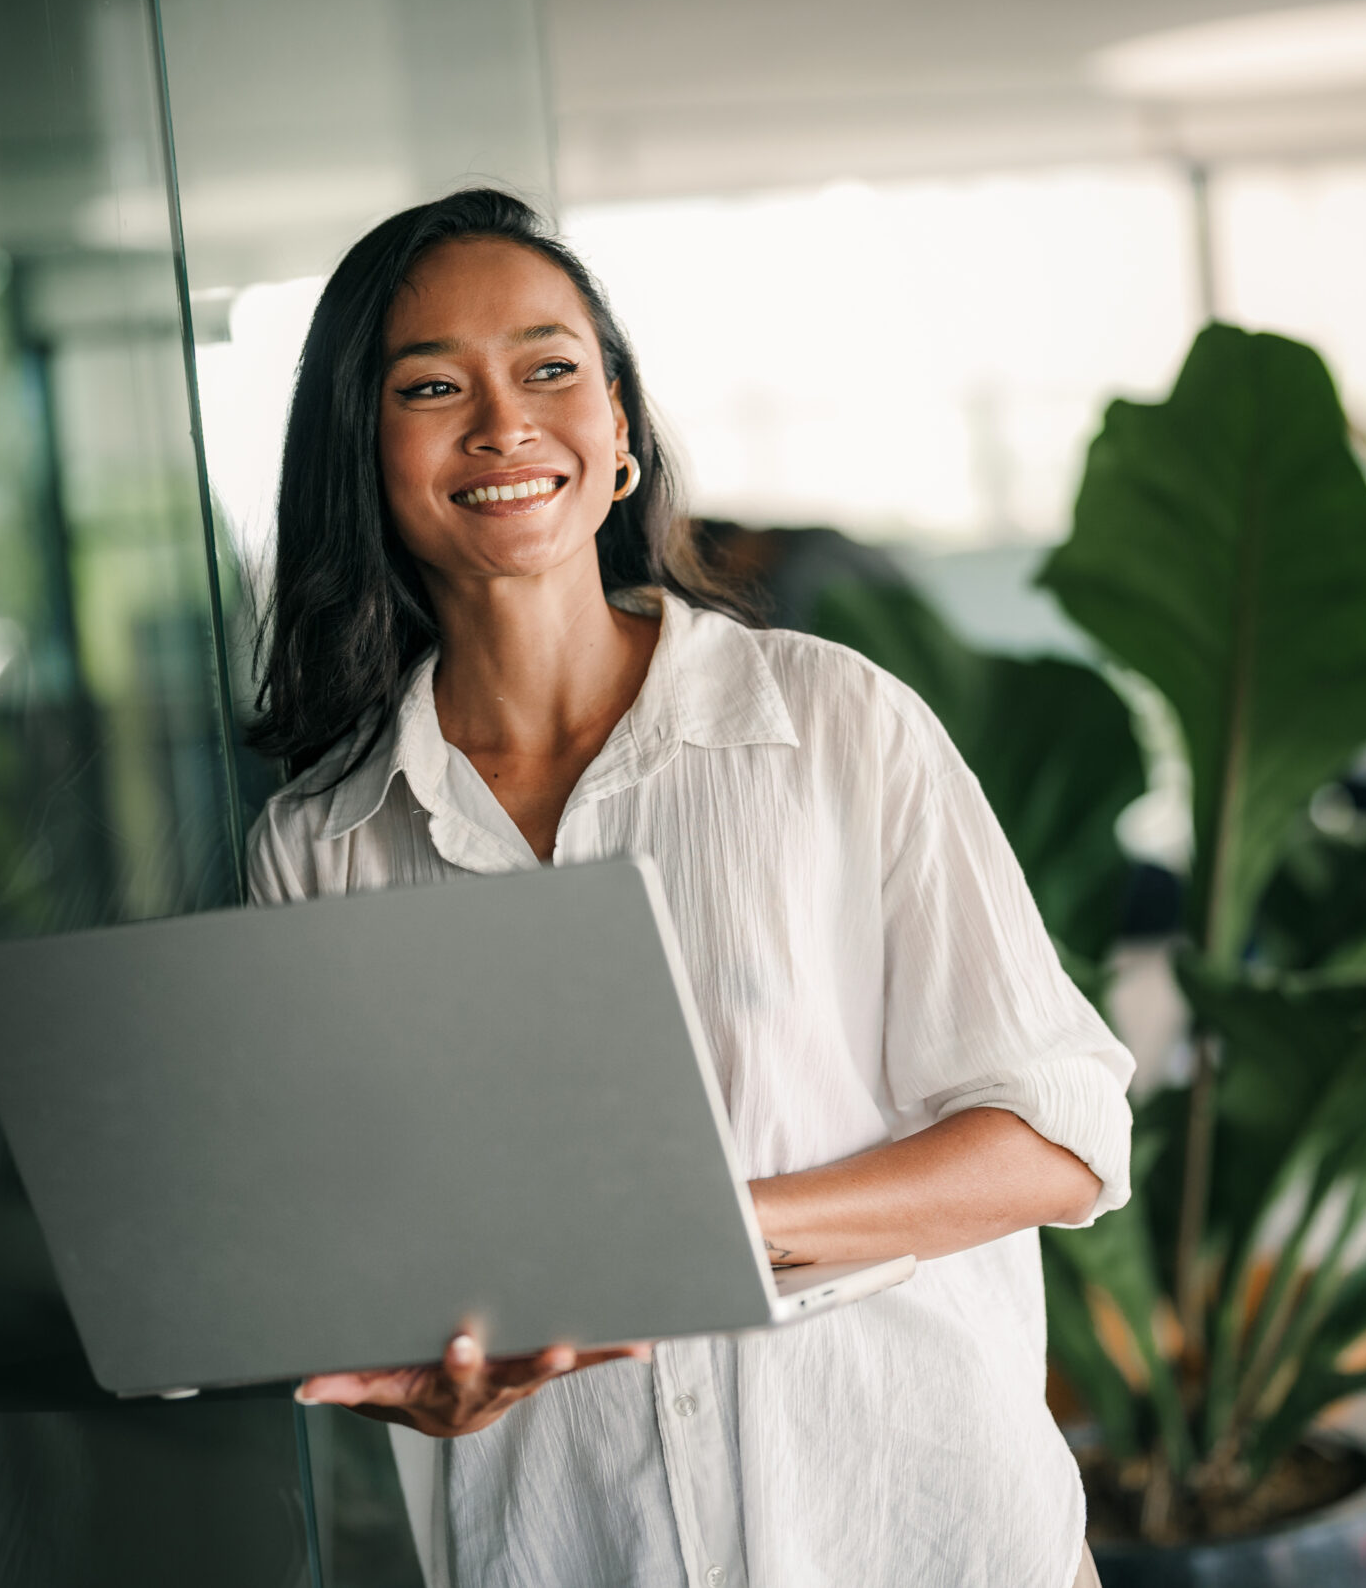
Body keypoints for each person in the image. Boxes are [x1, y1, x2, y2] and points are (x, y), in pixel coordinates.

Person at [243, 187, 1132, 1588]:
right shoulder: (324, 841)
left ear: (620, 440)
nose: (502, 421)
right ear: (367, 457)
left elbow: (1064, 1138)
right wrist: (427, 1370)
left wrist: (709, 1226)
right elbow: (387, 1248)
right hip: (572, 1547)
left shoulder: (834, 723)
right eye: (430, 386)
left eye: (550, 368)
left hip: (918, 1534)